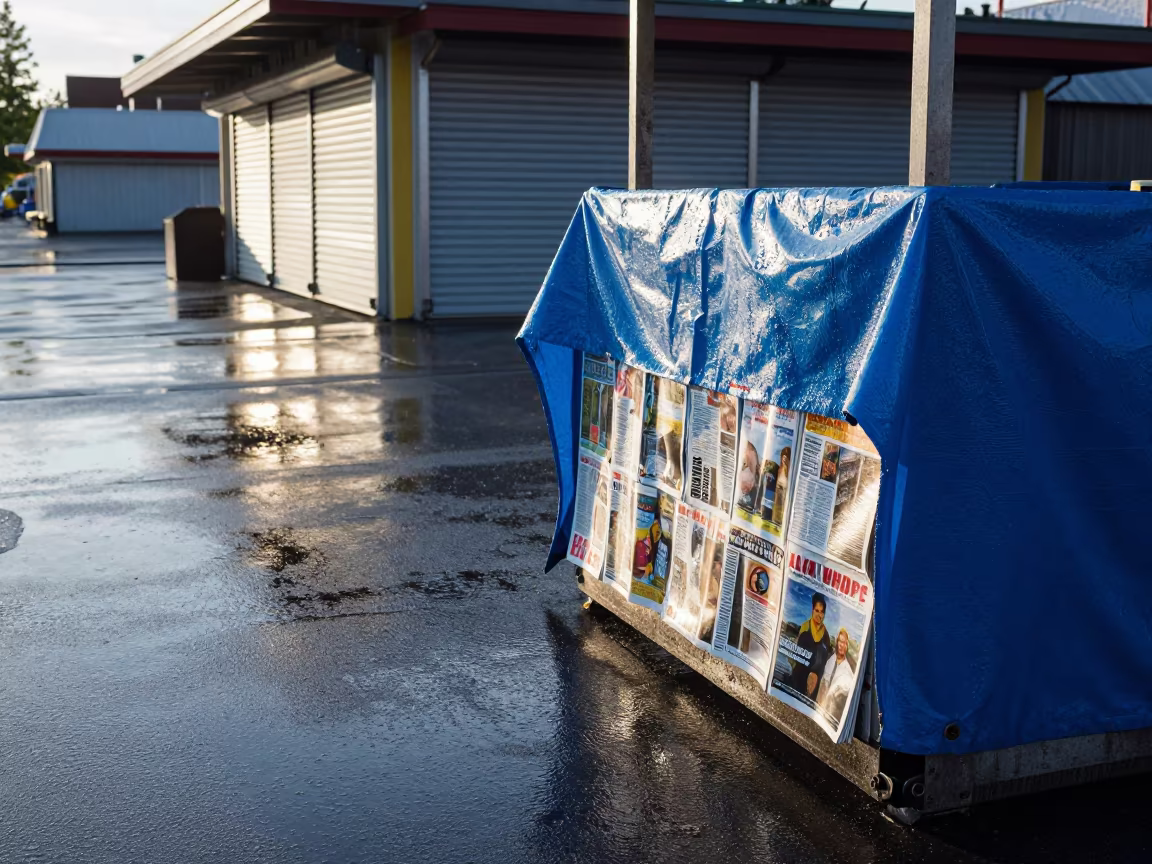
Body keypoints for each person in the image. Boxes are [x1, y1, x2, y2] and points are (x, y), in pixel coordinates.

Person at [787, 593, 833, 700]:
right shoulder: (804, 627)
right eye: (817, 610)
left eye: (822, 612)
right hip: (798, 680)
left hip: (814, 687)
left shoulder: (826, 636)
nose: (819, 615)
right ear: (812, 610)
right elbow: (792, 655)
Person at [817, 628, 856, 721]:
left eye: (845, 643)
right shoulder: (828, 660)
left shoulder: (848, 672)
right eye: (841, 642)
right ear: (837, 642)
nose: (842, 645)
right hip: (818, 707)